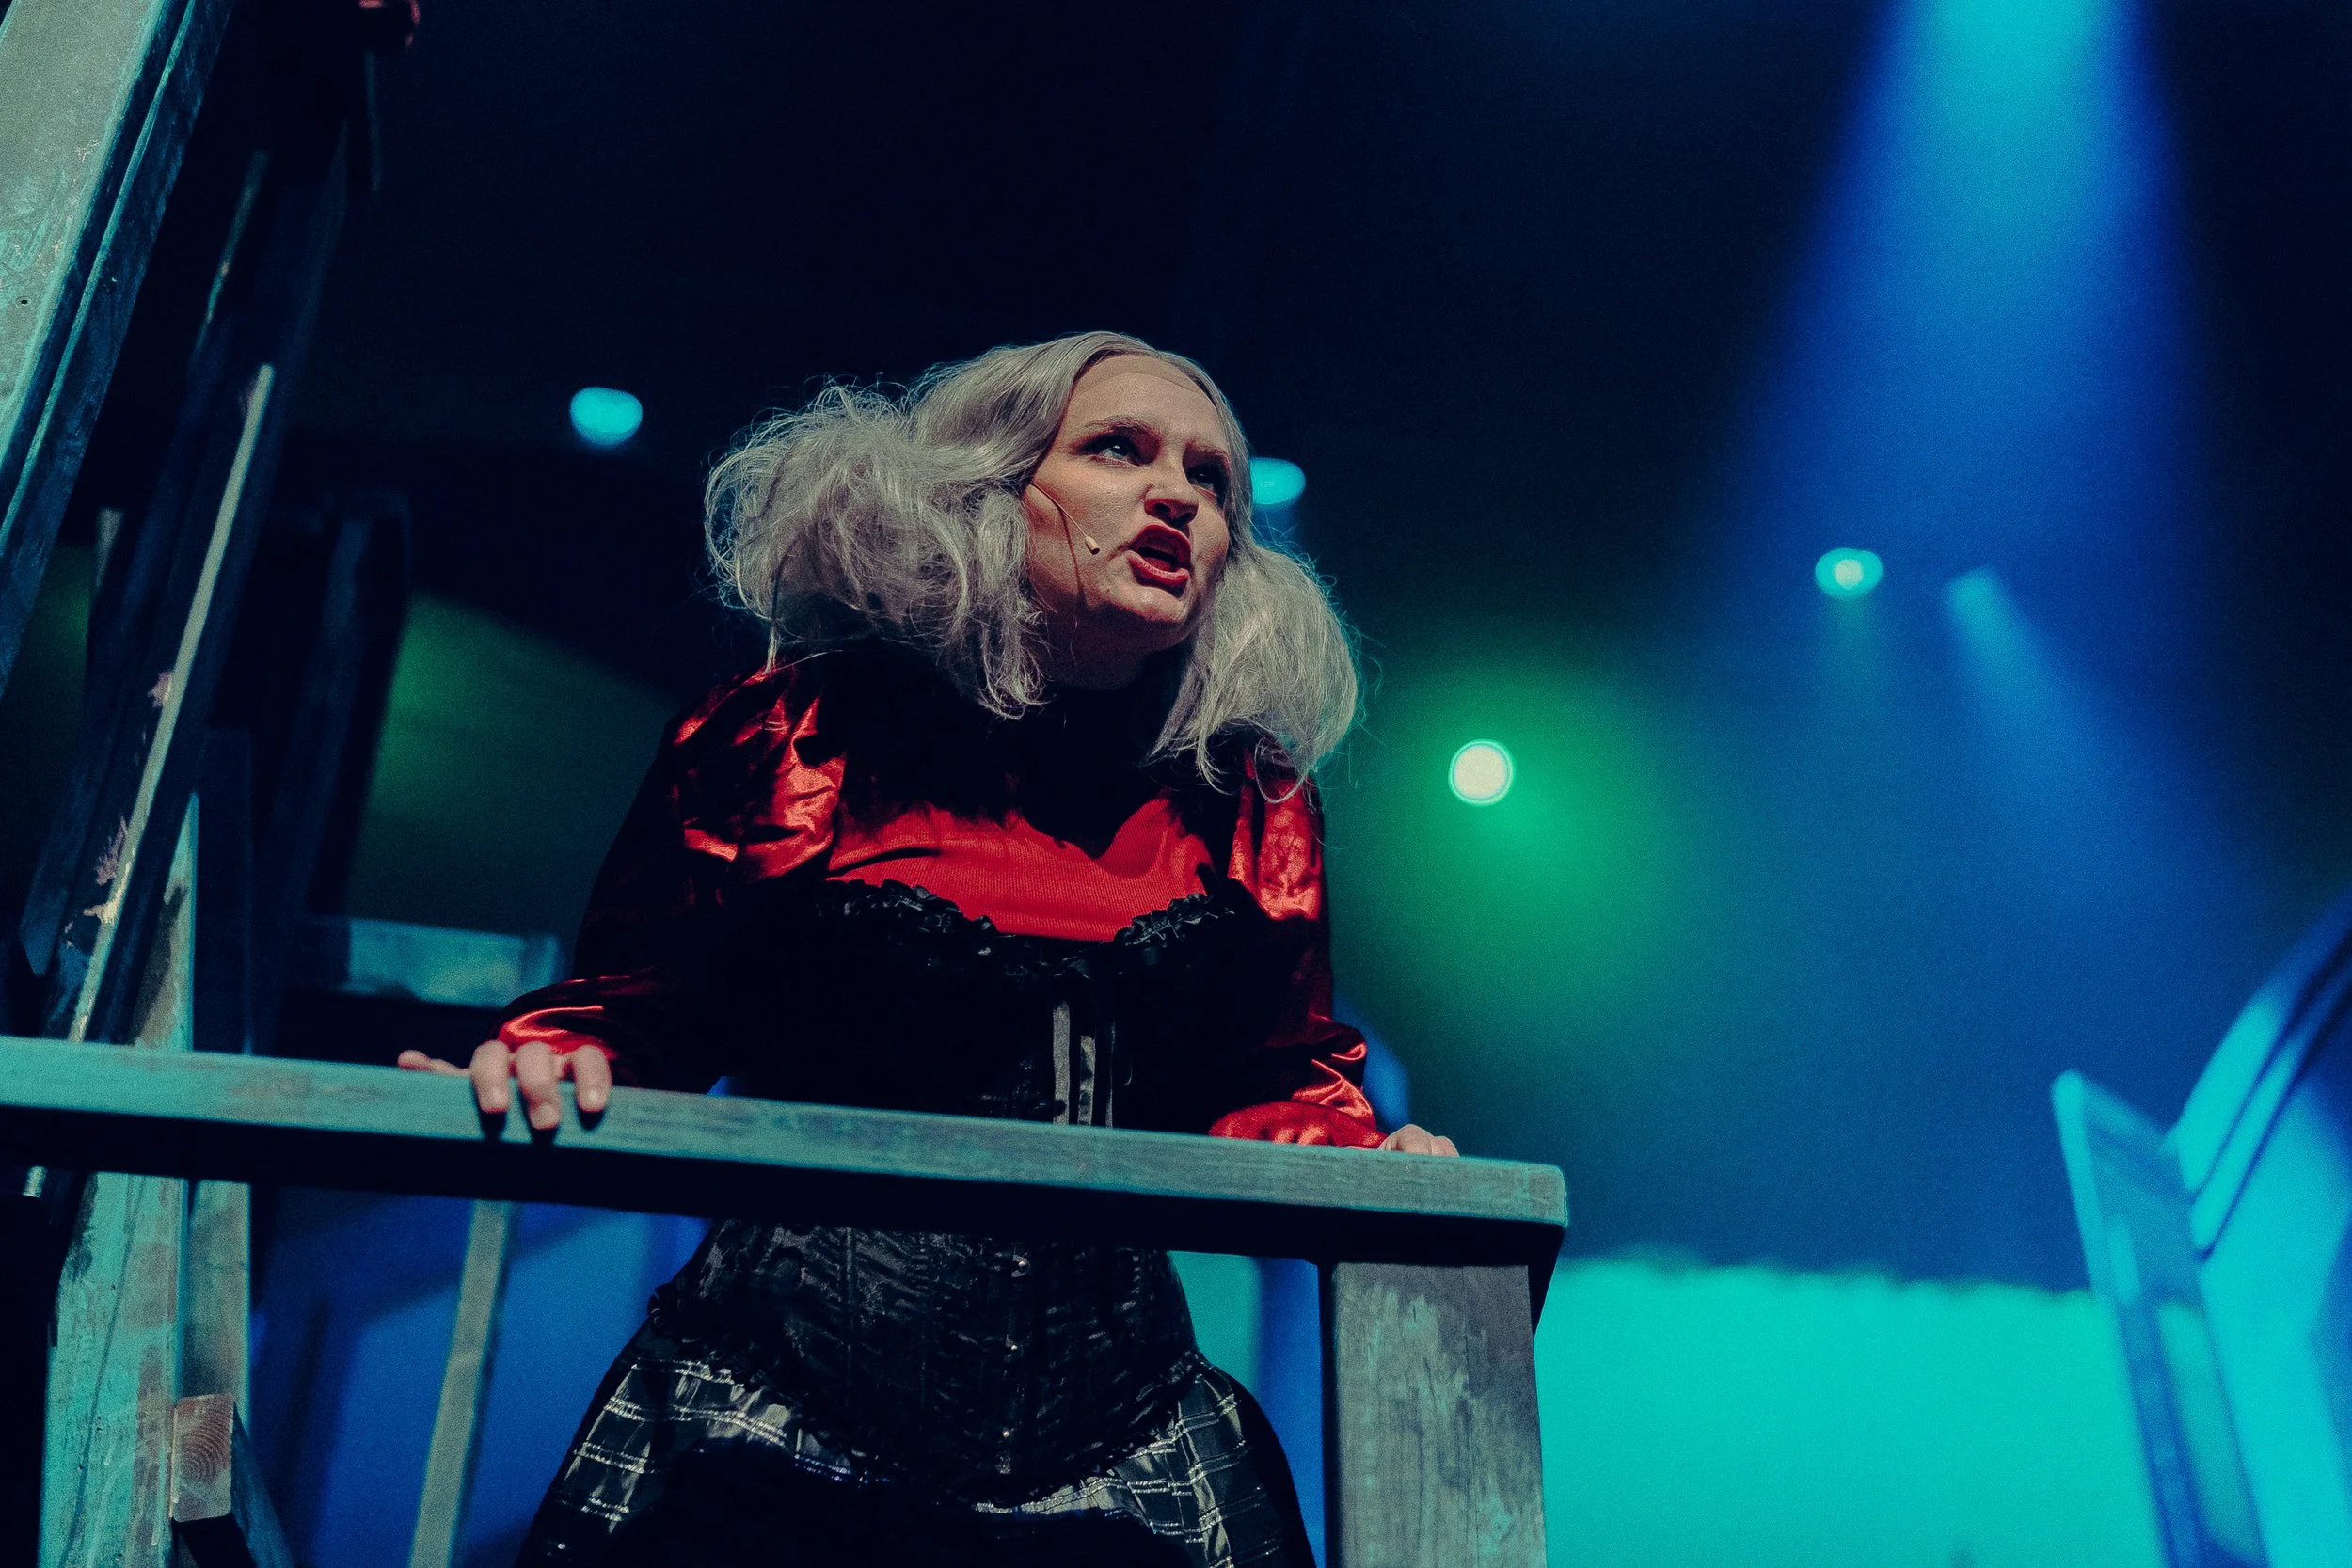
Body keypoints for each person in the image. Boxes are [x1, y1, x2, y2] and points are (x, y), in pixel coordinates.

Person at [399, 330, 1456, 1567]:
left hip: (1119, 1442)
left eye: (1211, 478)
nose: (1178, 494)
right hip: (772, 1409)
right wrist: (548, 1054)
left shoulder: (1246, 796)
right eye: (1119, 449)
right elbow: (642, 1007)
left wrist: (1373, 1160)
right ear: (990, 489)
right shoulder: (801, 734)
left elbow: (1276, 1073)